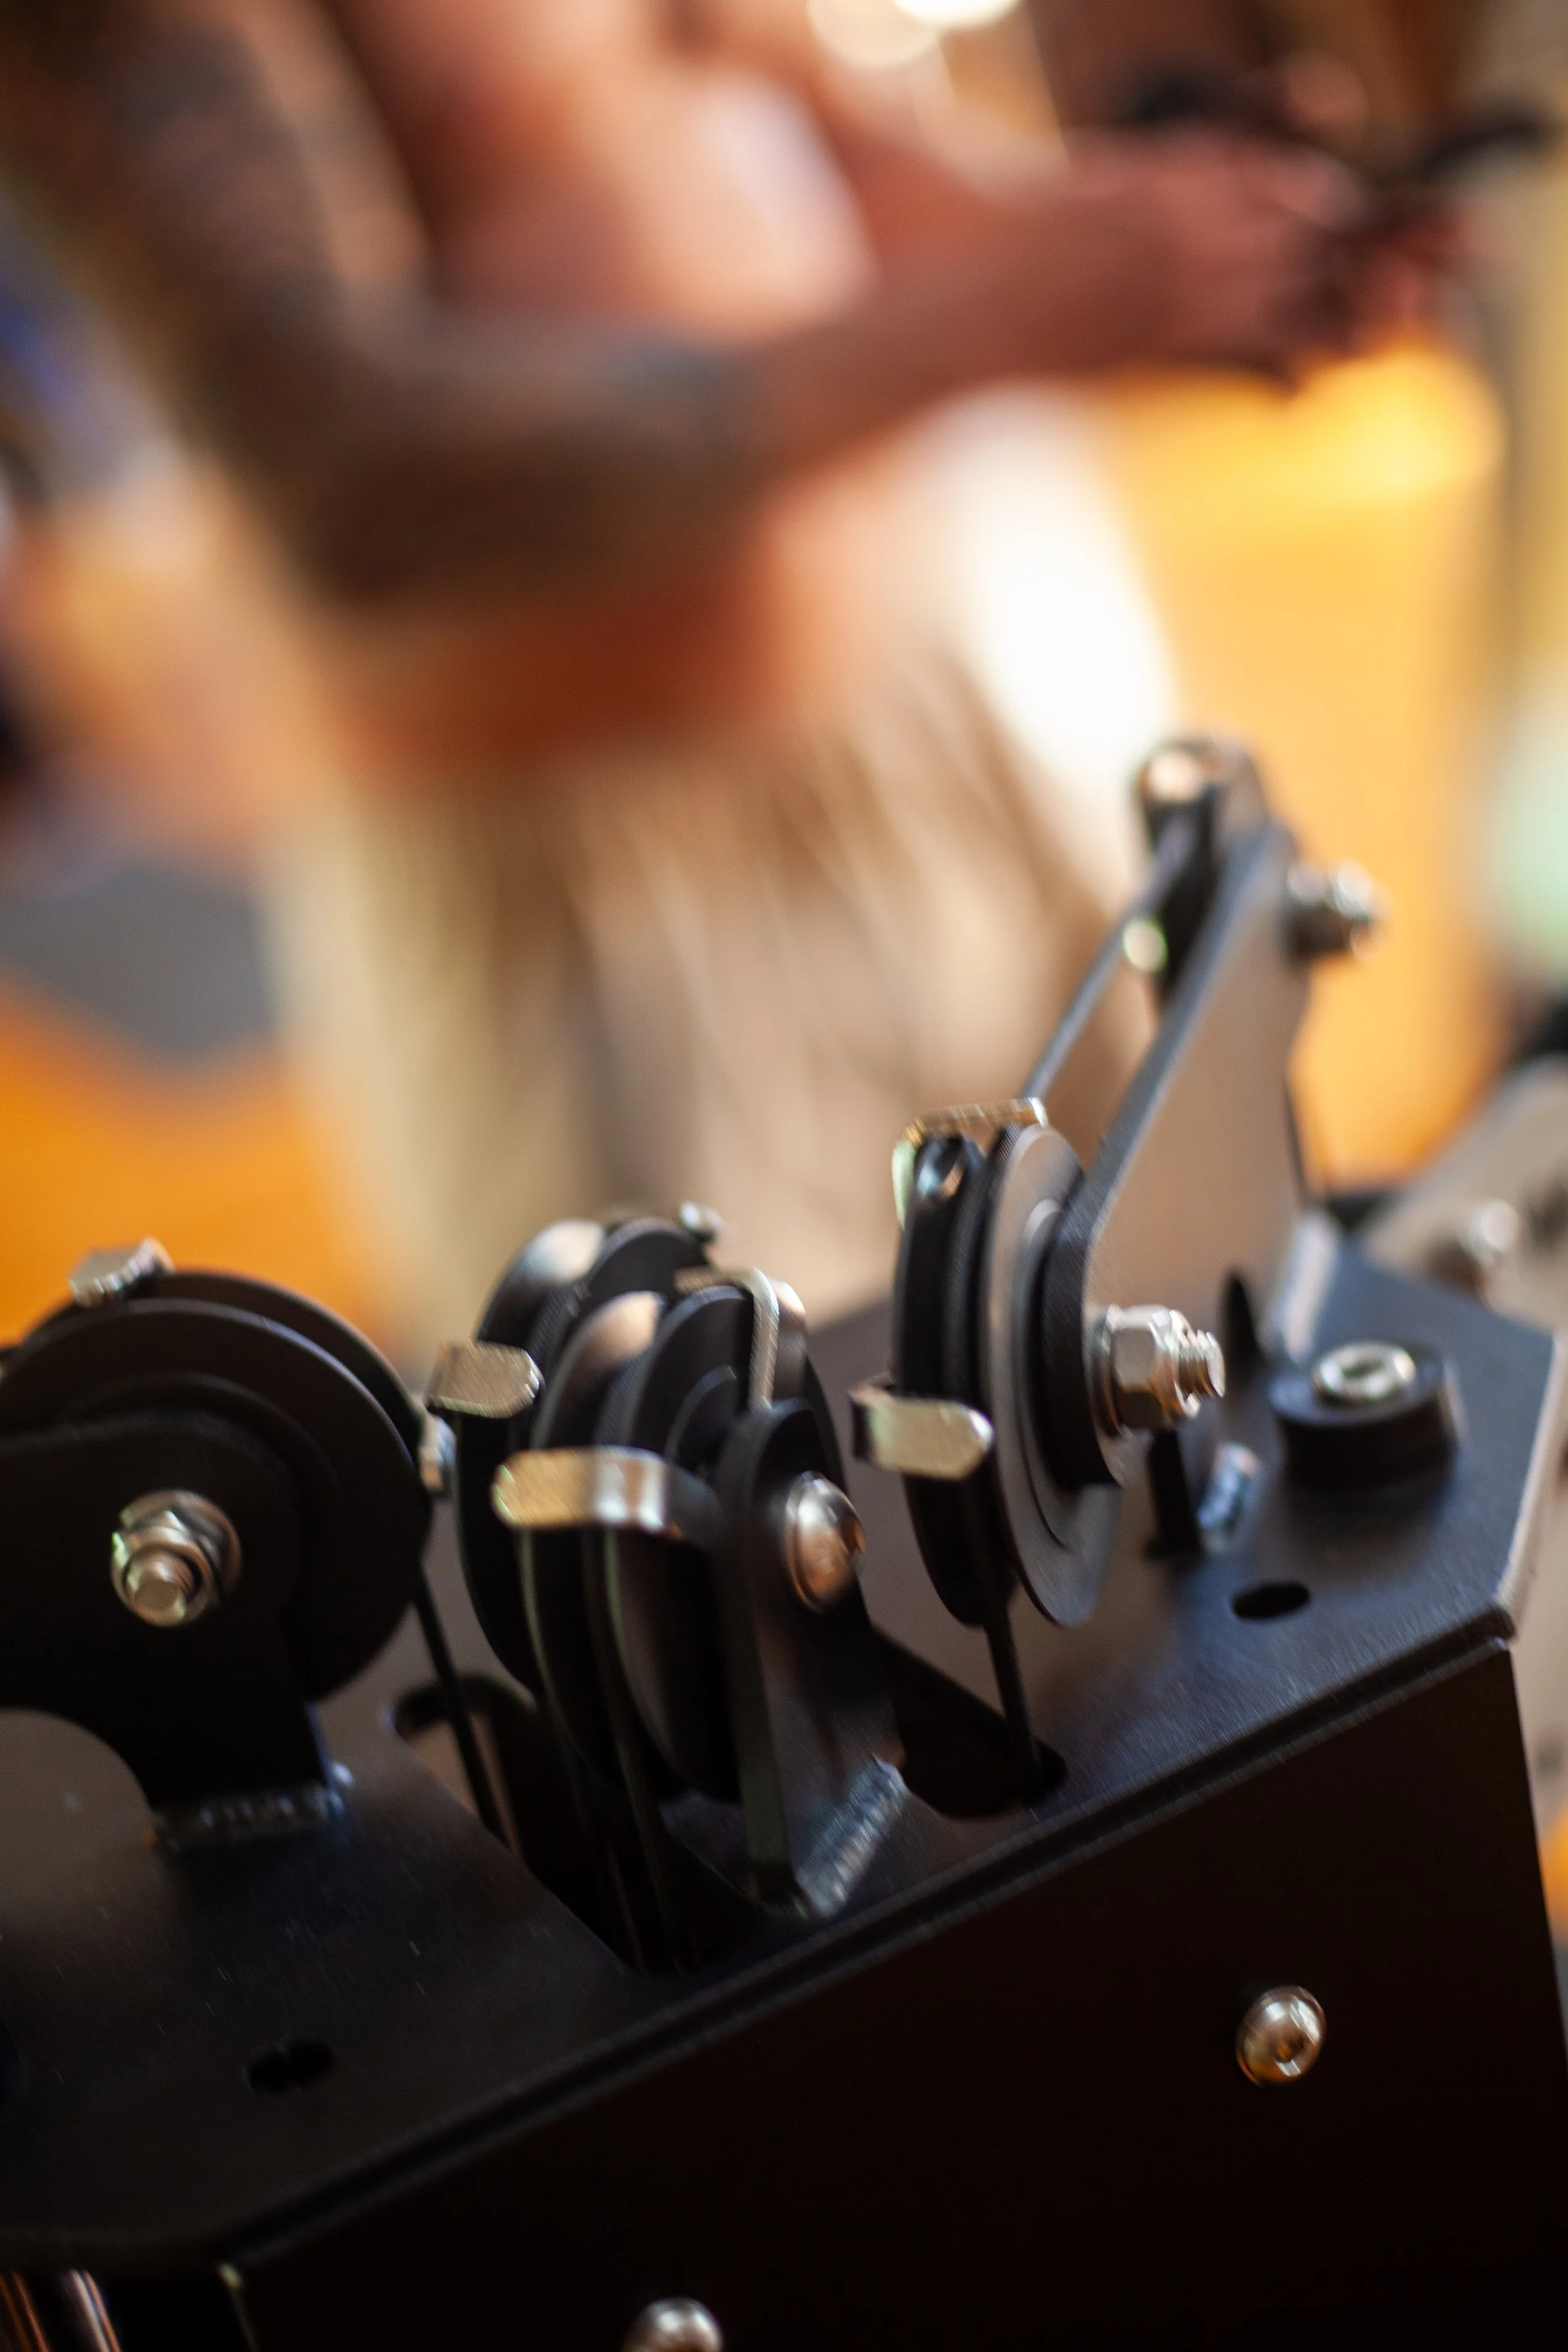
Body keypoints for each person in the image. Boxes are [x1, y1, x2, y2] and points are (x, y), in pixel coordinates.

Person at [0, 0, 1426, 1350]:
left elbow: (786, 123)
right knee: (746, 1565)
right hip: (600, 907)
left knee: (1195, 1356)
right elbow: (346, 476)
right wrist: (1002, 314)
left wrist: (1176, 258)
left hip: (928, 725)